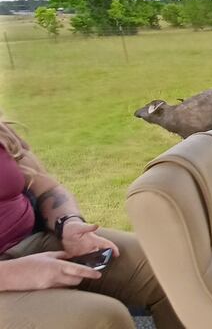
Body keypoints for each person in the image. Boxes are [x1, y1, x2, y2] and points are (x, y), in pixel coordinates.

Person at [0, 119, 182, 328]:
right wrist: (13, 273)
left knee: (169, 268)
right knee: (102, 319)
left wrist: (68, 223)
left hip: (33, 241)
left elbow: (45, 187)